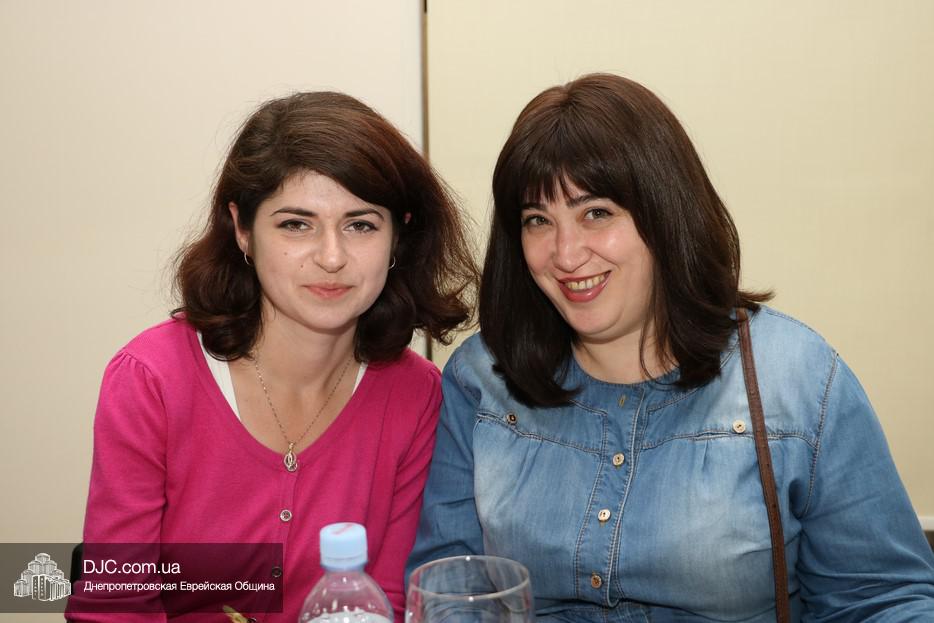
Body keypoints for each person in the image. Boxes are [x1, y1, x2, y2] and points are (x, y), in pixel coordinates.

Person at [407, 74, 934, 621]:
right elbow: (450, 593)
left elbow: (880, 599)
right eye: (538, 220)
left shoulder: (798, 378)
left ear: (665, 213)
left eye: (596, 213)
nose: (565, 253)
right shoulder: (481, 378)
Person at [68, 91, 478, 622]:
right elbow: (114, 606)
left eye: (361, 224)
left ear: (398, 236)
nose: (331, 257)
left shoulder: (416, 394)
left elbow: (389, 602)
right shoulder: (152, 380)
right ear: (242, 229)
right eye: (295, 224)